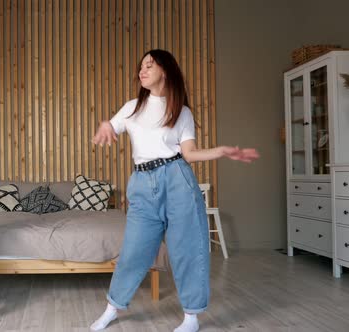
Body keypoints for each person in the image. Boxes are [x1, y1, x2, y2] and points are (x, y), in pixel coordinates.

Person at [89, 49, 259, 332]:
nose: (142, 71)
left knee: (188, 249)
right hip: (142, 183)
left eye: (149, 65)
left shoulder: (181, 111)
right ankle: (112, 309)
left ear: (164, 71)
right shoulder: (132, 107)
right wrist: (105, 124)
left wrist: (221, 151)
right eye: (141, 66)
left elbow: (189, 154)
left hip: (177, 178)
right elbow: (112, 127)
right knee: (133, 251)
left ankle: (191, 317)